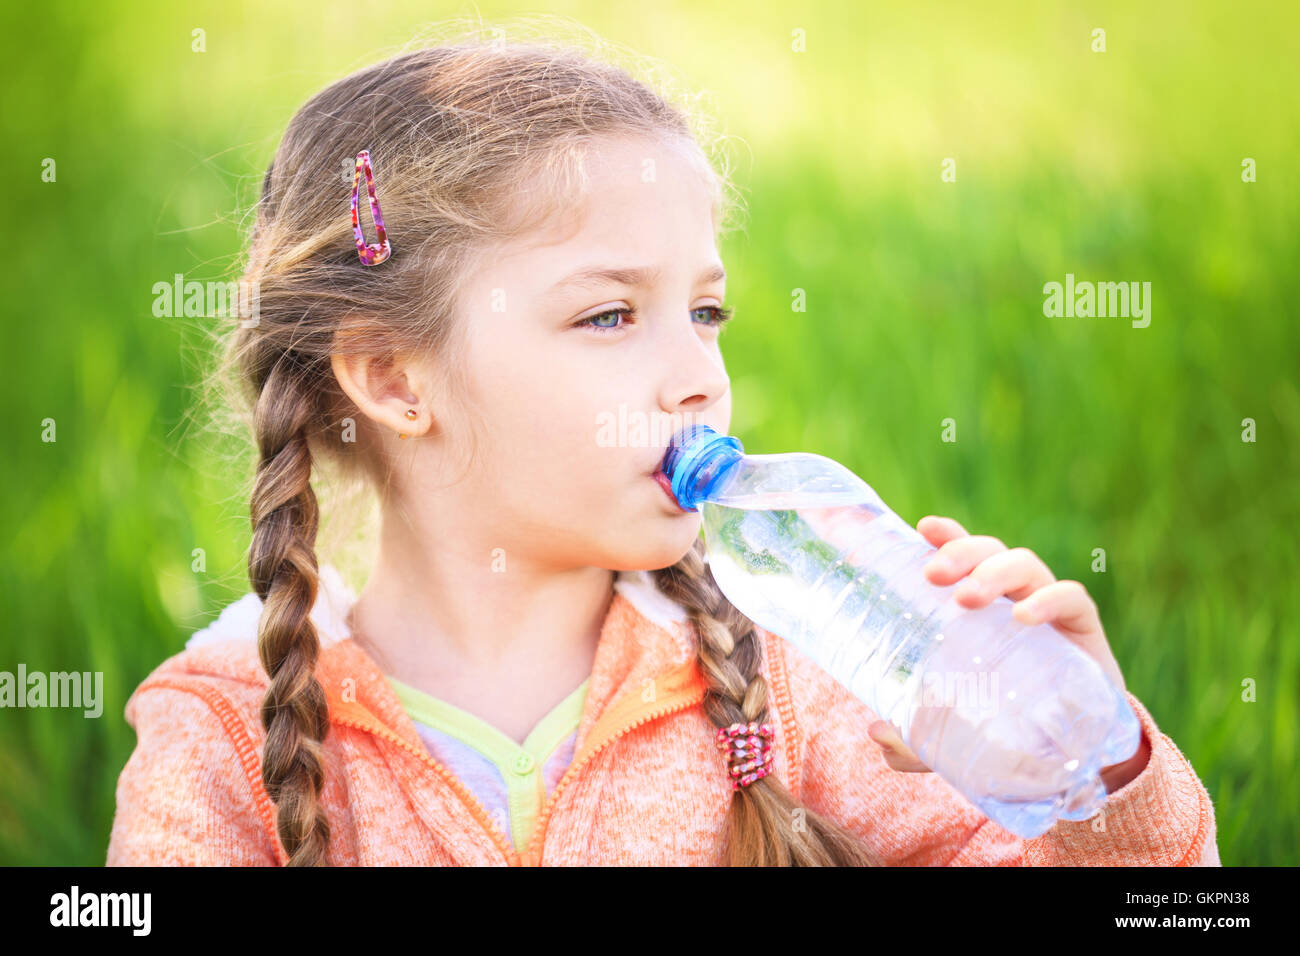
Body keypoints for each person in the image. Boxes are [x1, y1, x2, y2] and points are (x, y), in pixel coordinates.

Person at [106, 28, 1218, 866]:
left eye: (706, 311)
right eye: (608, 315)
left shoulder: (794, 678)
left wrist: (1104, 771)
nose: (698, 372)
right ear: (395, 378)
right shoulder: (221, 739)